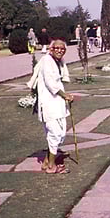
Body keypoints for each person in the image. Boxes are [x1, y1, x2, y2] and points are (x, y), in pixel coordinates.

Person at [27, 39, 74, 174]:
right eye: (57, 48)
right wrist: (64, 95)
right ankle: (51, 167)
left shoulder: (57, 62)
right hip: (48, 103)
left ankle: (47, 161)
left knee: (60, 133)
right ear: (51, 49)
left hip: (57, 103)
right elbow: (49, 82)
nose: (60, 50)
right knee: (54, 133)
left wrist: (64, 96)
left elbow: (57, 82)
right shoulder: (47, 61)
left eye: (62, 49)